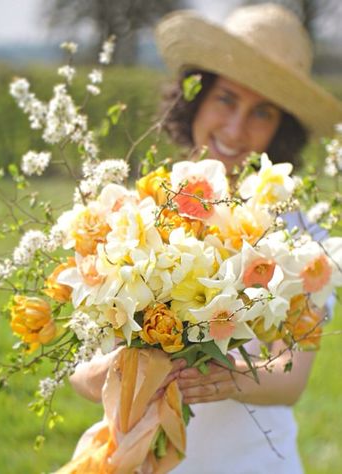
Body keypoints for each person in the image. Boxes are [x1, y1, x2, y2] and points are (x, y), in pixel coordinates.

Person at [70, 4, 342, 473]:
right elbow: (83, 367)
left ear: (282, 129)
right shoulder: (136, 212)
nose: (237, 129)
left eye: (262, 112)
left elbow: (291, 377)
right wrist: (106, 374)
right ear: (195, 99)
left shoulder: (305, 241)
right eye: (225, 99)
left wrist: (230, 378)